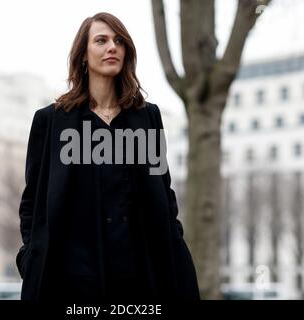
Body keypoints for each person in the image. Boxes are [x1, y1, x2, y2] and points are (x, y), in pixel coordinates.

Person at [16, 12, 200, 305]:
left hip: (139, 279)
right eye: (101, 41)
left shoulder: (147, 117)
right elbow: (32, 202)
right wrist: (32, 256)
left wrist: (174, 246)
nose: (112, 47)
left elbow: (164, 194)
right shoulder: (51, 122)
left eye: (119, 41)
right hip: (70, 280)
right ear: (83, 55)